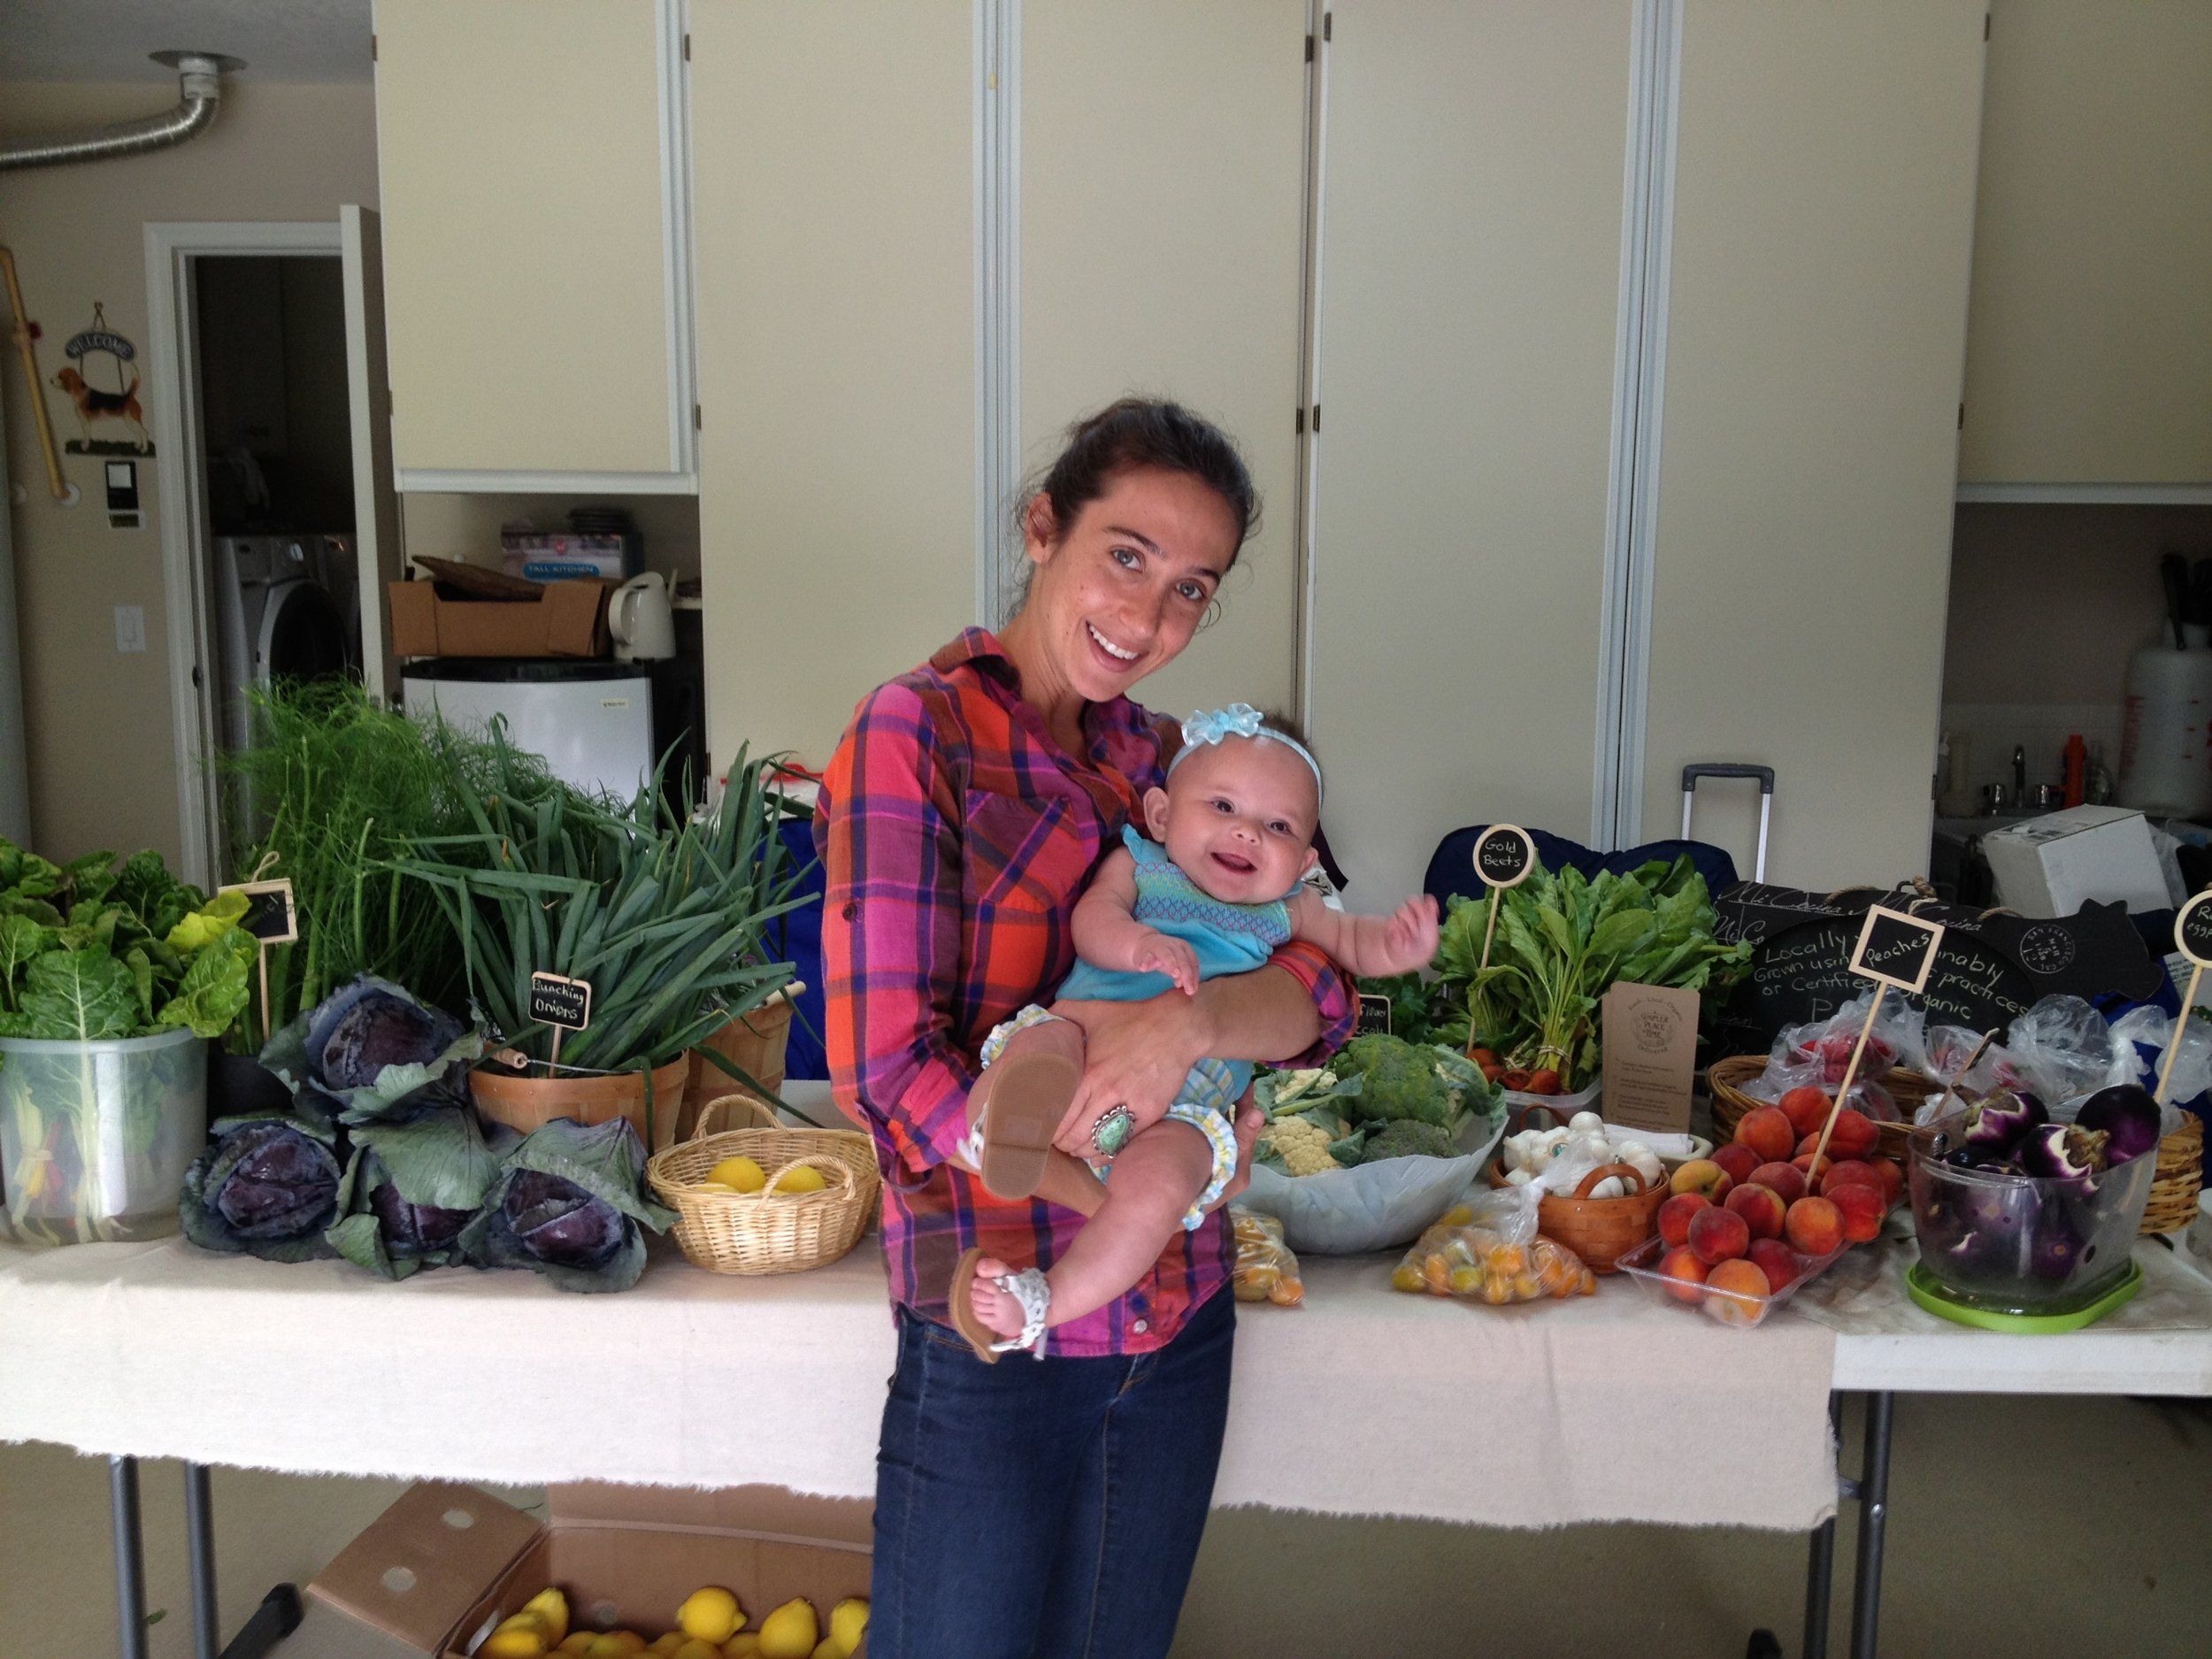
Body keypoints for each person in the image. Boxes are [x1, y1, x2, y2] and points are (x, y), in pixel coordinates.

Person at [816, 398, 1356, 1659]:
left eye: (1191, 589)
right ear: (1043, 525)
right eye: (1127, 555)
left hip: (1177, 1310)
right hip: (996, 1316)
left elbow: (1323, 990)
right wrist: (1074, 1149)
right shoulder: (918, 729)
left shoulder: (1180, 767)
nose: (1151, 615)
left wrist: (1196, 1023)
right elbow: (882, 1065)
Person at [949, 704, 1439, 1359]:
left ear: (1303, 860)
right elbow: (1092, 920)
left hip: (1186, 1106)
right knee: (1041, 1046)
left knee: (1158, 1194)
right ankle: (994, 1129)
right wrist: (1138, 944)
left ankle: (1042, 1301)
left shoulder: (1289, 909)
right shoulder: (1141, 864)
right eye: (1223, 806)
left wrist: (1396, 945)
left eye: (1278, 825)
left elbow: (1351, 943)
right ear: (1160, 814)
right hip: (1081, 1039)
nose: (1246, 834)